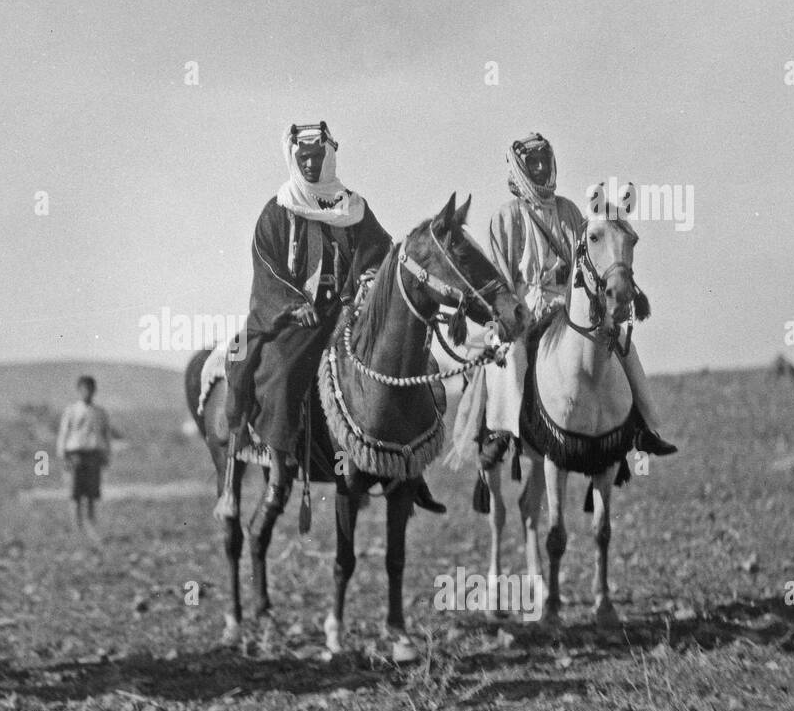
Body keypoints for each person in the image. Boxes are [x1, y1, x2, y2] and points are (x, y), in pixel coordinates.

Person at [224, 122, 444, 516]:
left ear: (329, 156)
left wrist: (370, 277)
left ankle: (410, 468)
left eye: (317, 156)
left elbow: (380, 250)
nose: (310, 164)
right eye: (303, 157)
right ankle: (277, 469)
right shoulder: (277, 210)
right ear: (293, 159)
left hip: (347, 310)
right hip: (298, 317)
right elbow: (267, 266)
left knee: (410, 365)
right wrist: (294, 302)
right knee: (283, 368)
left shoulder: (352, 206)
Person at [477, 132, 677, 469]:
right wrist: (512, 313)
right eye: (533, 162)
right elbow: (500, 276)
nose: (540, 168)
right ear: (520, 169)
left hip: (569, 306)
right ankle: (504, 430)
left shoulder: (569, 210)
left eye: (545, 160)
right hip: (526, 310)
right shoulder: (506, 217)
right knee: (510, 352)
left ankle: (643, 426)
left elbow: (589, 261)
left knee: (623, 340)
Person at [56, 375, 112, 537]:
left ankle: (91, 528)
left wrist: (106, 454)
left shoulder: (100, 412)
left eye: (90, 389)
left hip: (93, 455)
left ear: (94, 391)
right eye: (84, 389)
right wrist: (63, 456)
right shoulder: (72, 410)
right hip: (75, 455)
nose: (87, 393)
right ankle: (77, 529)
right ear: (79, 390)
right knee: (75, 494)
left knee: (92, 494)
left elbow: (105, 434)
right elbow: (64, 433)